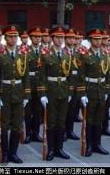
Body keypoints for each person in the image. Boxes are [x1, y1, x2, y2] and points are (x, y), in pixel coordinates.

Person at [0, 25, 31, 163]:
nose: (13, 39)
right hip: (5, 93)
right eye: (10, 36)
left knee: (17, 125)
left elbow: (26, 77)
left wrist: (26, 95)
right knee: (5, 124)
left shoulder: (23, 54)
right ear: (5, 38)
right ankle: (5, 153)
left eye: (15, 36)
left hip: (19, 93)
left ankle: (13, 153)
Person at [37, 26, 73, 160]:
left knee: (61, 120)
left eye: (62, 37)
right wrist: (42, 94)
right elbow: (42, 76)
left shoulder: (67, 54)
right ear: (52, 38)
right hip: (51, 90)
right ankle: (51, 149)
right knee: (51, 121)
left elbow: (70, 76)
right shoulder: (45, 54)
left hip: (63, 89)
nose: (60, 40)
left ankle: (59, 148)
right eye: (57, 37)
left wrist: (69, 91)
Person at [77, 29, 110, 157]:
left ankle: (98, 144)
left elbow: (107, 73)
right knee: (89, 120)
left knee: (99, 119)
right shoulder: (84, 55)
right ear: (90, 40)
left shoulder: (105, 54)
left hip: (101, 90)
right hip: (89, 90)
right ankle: (89, 145)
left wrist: (107, 90)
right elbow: (80, 76)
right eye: (95, 39)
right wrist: (82, 94)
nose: (98, 41)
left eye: (99, 39)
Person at [24, 26, 43, 143]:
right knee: (28, 111)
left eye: (39, 37)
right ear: (31, 38)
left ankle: (36, 133)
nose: (37, 39)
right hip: (29, 83)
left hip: (40, 84)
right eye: (35, 37)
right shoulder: (25, 51)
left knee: (38, 111)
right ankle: (28, 134)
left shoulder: (45, 51)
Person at [63, 28, 81, 141]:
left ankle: (70, 130)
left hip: (76, 85)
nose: (72, 40)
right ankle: (63, 131)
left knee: (73, 109)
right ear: (65, 39)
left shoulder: (78, 53)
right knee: (64, 110)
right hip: (65, 86)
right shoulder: (62, 52)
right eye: (69, 38)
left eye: (73, 38)